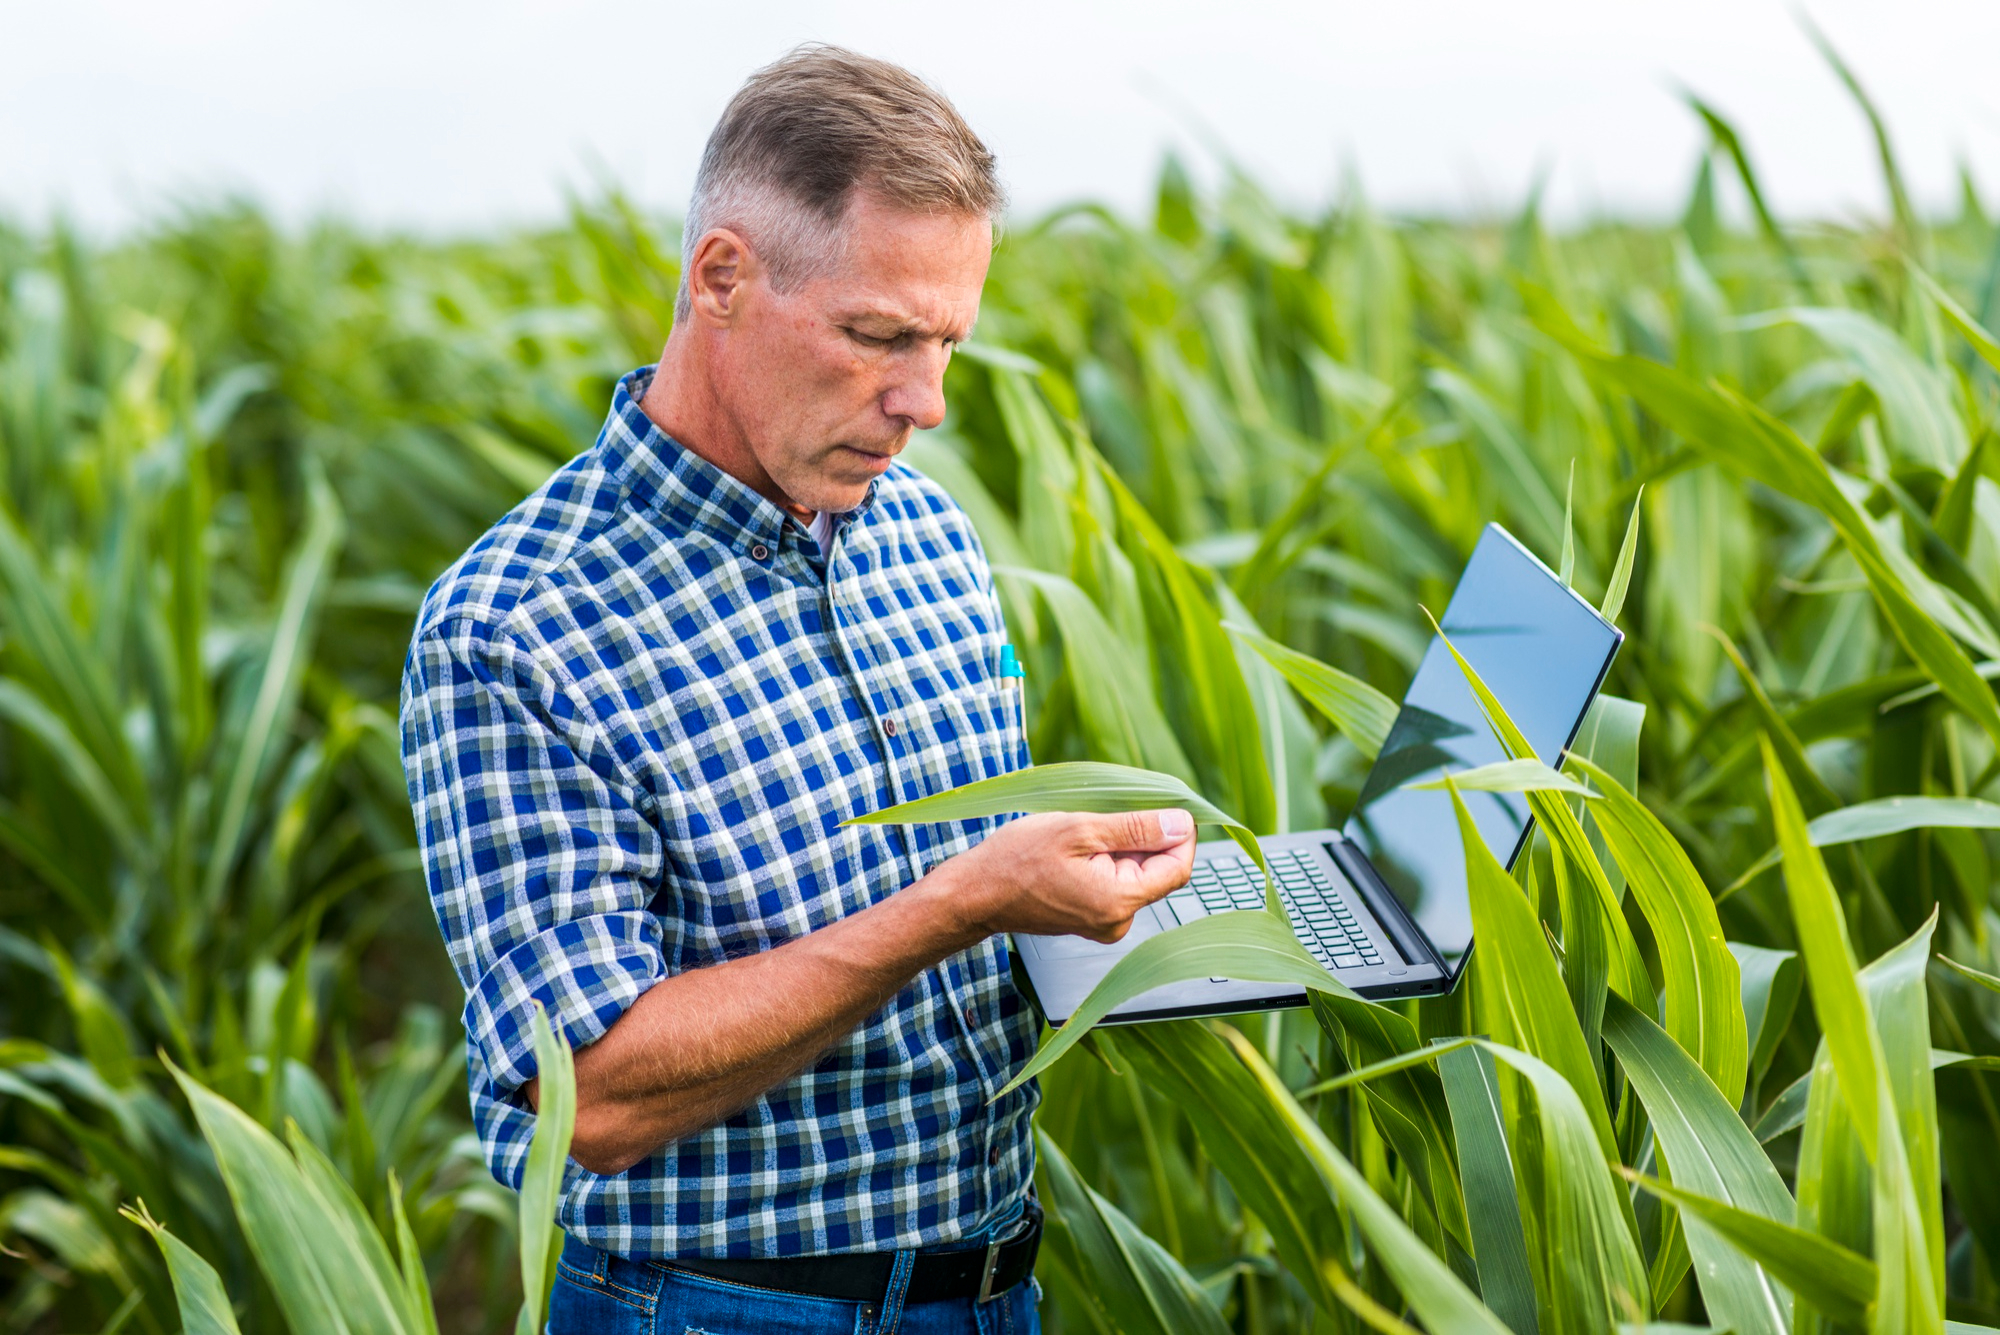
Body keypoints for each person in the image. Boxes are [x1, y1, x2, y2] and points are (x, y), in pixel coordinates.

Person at [399, 44, 1196, 1335]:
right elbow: (589, 1094)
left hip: (996, 1288)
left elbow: (977, 919)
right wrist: (960, 902)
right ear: (721, 277)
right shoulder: (518, 630)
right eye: (877, 336)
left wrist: (1146, 917)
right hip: (718, 1310)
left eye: (947, 344)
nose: (922, 402)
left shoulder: (927, 534)